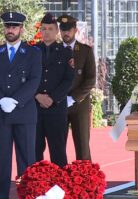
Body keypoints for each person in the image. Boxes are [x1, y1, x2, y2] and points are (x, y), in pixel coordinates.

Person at [0, 11, 42, 199]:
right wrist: (2, 100)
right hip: (1, 112)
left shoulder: (33, 53)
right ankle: (1, 198)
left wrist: (14, 100)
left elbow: (34, 81)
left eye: (14, 26)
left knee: (27, 158)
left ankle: (29, 197)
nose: (10, 30)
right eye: (7, 26)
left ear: (21, 29)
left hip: (24, 112)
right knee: (2, 158)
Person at [35, 13, 74, 167]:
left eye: (50, 29)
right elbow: (25, 77)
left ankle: (59, 188)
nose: (46, 32)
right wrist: (37, 95)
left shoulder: (66, 52)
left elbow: (68, 80)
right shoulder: (32, 51)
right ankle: (35, 186)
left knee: (58, 151)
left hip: (56, 109)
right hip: (35, 108)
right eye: (43, 29)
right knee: (34, 150)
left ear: (57, 30)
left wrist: (52, 98)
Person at [57, 14, 96, 161]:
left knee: (82, 144)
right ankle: (61, 178)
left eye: (69, 29)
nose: (65, 33)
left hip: (80, 104)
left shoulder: (85, 51)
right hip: (59, 103)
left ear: (75, 30)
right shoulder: (55, 49)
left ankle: (85, 179)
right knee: (58, 144)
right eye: (63, 29)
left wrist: (74, 97)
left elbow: (91, 79)